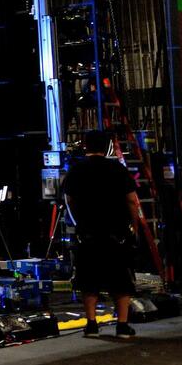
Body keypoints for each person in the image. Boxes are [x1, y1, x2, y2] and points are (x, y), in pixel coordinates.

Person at [62, 129, 141, 339]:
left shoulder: (76, 170)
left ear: (86, 146)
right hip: (116, 232)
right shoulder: (118, 169)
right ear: (107, 146)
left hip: (88, 233)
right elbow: (132, 200)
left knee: (88, 278)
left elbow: (68, 201)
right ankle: (122, 325)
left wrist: (78, 221)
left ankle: (91, 324)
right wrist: (135, 227)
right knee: (120, 278)